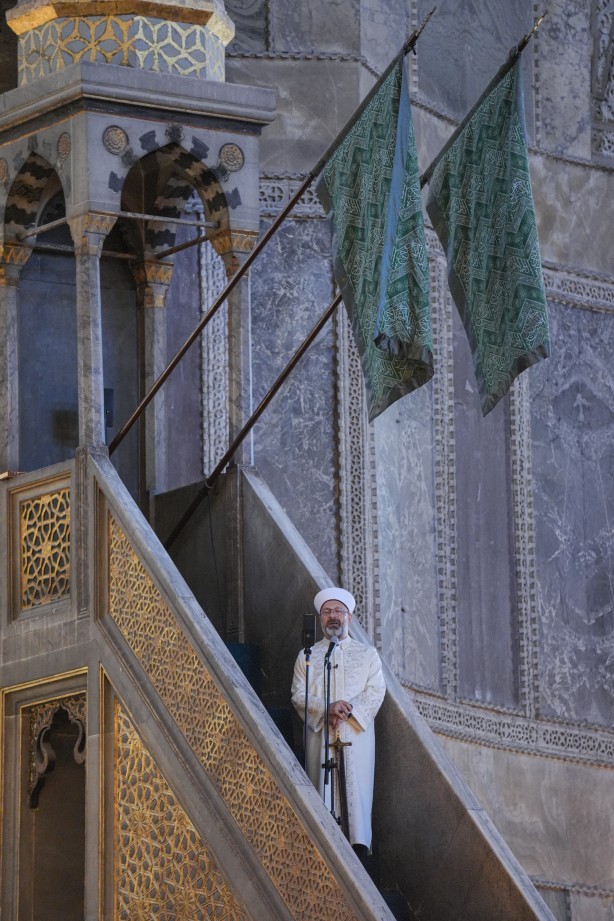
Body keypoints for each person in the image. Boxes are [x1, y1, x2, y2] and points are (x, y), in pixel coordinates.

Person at [291, 587, 386, 858]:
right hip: (322, 734)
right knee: (322, 793)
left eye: (338, 611)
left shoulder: (367, 655)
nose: (333, 616)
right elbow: (298, 694)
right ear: (321, 618)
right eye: (327, 612)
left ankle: (357, 846)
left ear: (350, 618)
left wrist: (350, 709)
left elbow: (376, 691)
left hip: (356, 734)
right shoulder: (307, 656)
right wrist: (326, 708)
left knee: (356, 797)